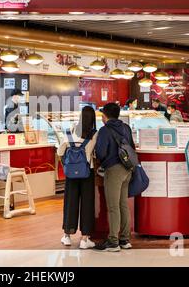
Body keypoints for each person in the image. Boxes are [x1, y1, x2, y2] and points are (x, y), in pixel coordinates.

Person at [94, 102, 135, 252]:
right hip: (127, 170)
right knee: (123, 204)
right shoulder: (126, 127)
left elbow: (100, 152)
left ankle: (113, 241)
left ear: (105, 116)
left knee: (113, 207)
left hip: (113, 170)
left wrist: (104, 162)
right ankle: (125, 239)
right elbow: (132, 146)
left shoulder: (105, 131)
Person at [57, 106, 99, 249]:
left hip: (71, 174)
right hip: (87, 171)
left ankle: (67, 236)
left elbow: (60, 151)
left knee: (70, 203)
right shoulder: (94, 134)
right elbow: (96, 152)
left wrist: (67, 165)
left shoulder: (69, 133)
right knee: (87, 204)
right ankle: (84, 239)